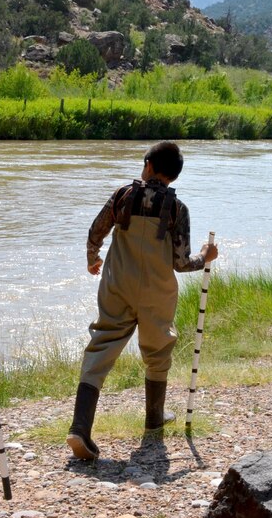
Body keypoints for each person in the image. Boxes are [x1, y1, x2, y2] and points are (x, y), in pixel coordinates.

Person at [67, 141, 218, 461]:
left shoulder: (123, 194)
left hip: (117, 283)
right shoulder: (179, 209)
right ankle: (153, 418)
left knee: (101, 345)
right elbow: (181, 262)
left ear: (148, 165)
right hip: (156, 290)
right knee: (158, 348)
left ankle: (80, 427)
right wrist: (205, 256)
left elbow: (96, 231)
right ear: (173, 177)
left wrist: (92, 258)